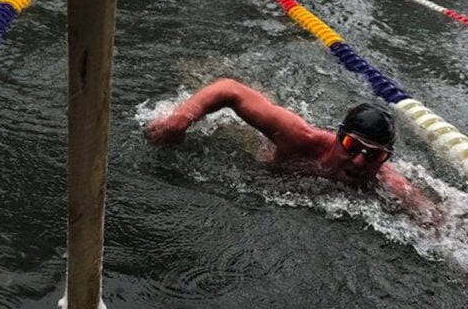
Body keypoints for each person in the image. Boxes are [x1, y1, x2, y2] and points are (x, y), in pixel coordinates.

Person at [145, 78, 441, 226]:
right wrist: (182, 119)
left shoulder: (387, 183)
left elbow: (433, 216)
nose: (360, 160)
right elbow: (228, 88)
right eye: (353, 146)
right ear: (339, 137)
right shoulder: (300, 138)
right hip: (264, 158)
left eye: (374, 155)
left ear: (385, 159)